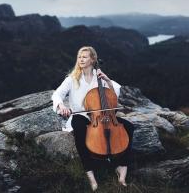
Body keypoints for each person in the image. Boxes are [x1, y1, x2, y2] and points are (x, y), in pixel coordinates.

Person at [51, 46, 135, 191]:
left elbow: (115, 93)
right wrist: (61, 106)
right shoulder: (72, 79)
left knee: (129, 126)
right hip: (81, 115)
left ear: (93, 59)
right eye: (79, 57)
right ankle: (90, 173)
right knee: (79, 129)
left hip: (102, 116)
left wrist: (108, 81)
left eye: (84, 57)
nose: (81, 59)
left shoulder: (100, 76)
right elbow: (57, 94)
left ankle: (122, 166)